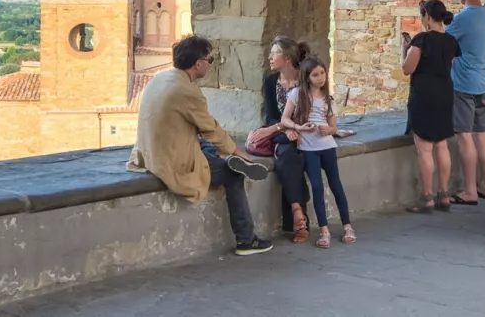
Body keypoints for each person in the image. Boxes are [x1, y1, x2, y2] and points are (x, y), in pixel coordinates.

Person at [127, 34, 273, 256]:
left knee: (207, 146)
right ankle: (246, 240)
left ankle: (222, 157)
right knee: (233, 175)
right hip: (172, 163)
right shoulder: (187, 91)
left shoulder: (161, 77)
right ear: (198, 64)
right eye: (210, 60)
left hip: (150, 154)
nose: (211, 64)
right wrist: (238, 151)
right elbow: (210, 128)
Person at [280, 55, 355, 248]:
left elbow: (333, 126)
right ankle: (324, 230)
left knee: (336, 184)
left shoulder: (328, 99)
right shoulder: (297, 95)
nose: (320, 78)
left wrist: (328, 130)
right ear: (307, 77)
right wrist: (299, 127)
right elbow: (284, 119)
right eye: (315, 75)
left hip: (327, 146)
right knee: (316, 187)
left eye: (322, 73)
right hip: (308, 147)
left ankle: (347, 225)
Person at [248, 36, 312, 243]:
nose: (269, 57)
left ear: (286, 58)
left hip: (305, 130)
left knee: (287, 153)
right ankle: (298, 211)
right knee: (287, 151)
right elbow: (270, 117)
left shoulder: (306, 80)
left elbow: (311, 113)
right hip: (282, 134)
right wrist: (282, 130)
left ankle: (295, 213)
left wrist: (292, 128)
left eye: (274, 53)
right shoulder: (270, 81)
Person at [401, 0, 460, 213]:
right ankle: (444, 195)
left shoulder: (421, 40)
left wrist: (404, 50)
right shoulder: (452, 41)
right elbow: (447, 65)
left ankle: (426, 198)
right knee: (441, 145)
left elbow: (408, 68)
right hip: (445, 94)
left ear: (426, 16)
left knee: (425, 148)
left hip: (424, 95)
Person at [445, 0, 485, 203]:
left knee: (464, 136)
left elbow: (443, 42)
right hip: (484, 82)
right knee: (481, 134)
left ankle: (469, 191)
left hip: (464, 83)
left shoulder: (463, 17)